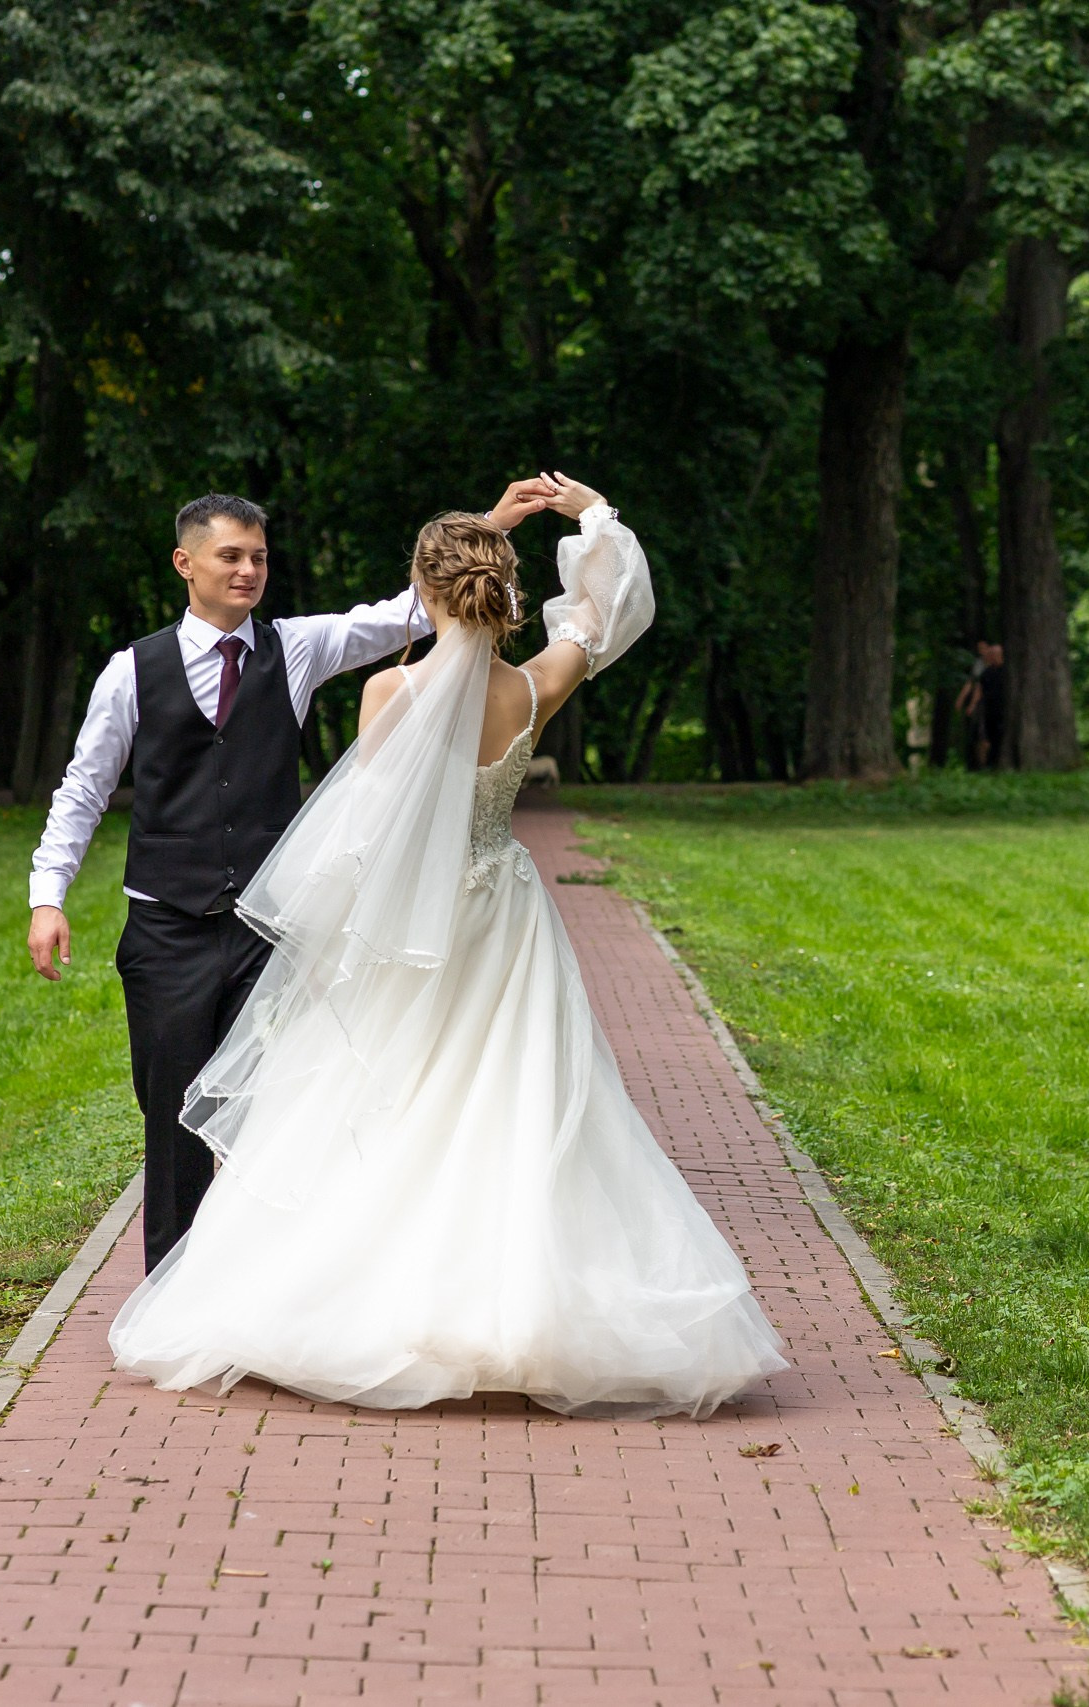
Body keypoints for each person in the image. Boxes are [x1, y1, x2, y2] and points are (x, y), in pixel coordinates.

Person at [108, 476, 788, 1419]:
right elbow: (608, 610)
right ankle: (522, 1307)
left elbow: (370, 833)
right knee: (518, 1100)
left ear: (422, 594)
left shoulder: (390, 688)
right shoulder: (536, 686)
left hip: (412, 933)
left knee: (390, 1105)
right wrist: (593, 517)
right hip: (503, 921)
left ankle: (367, 1298)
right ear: (504, 592)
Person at [27, 483, 557, 1272]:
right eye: (230, 556)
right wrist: (48, 896)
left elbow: (412, 610)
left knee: (276, 1106)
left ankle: (255, 1281)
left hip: (269, 928)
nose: (248, 571)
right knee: (172, 1113)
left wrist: (488, 527)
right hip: (166, 928)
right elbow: (83, 788)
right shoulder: (130, 672)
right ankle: (173, 1289)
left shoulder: (298, 647)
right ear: (186, 563)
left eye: (259, 558)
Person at [955, 640, 1006, 768]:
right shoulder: (985, 671)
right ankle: (984, 765)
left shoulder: (1007, 671)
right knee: (984, 737)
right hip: (988, 708)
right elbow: (978, 687)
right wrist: (971, 704)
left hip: (1002, 708)